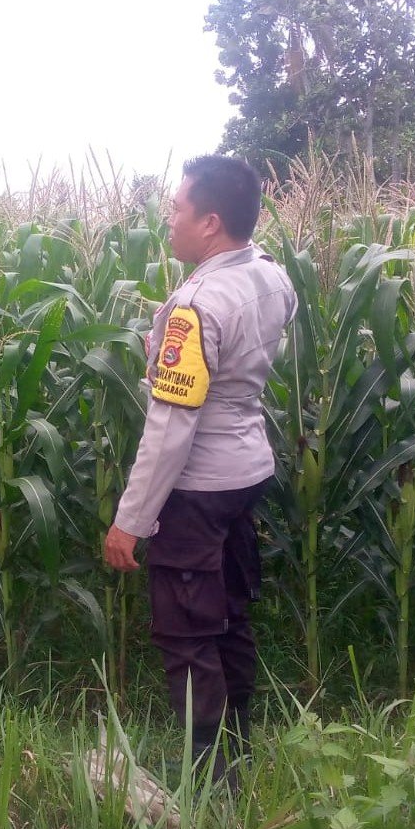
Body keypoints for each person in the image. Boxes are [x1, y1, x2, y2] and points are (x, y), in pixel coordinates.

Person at [103, 155, 296, 785]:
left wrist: (131, 521)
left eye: (177, 209)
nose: (170, 221)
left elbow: (171, 425)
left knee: (188, 632)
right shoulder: (269, 275)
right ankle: (239, 753)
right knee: (231, 615)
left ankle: (210, 778)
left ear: (210, 222)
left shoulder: (196, 305)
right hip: (247, 470)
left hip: (198, 486)